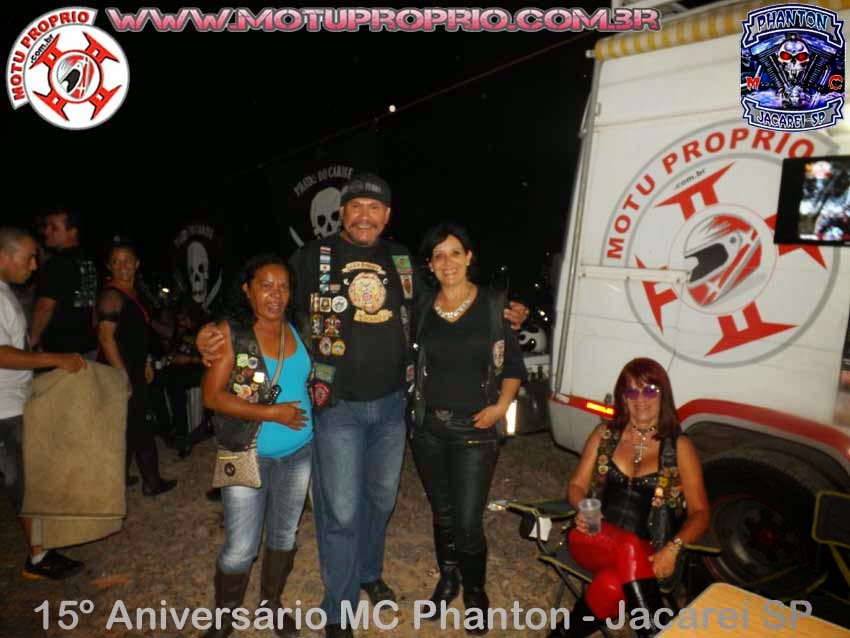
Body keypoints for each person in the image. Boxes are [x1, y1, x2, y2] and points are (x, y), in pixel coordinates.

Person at [197, 172, 529, 638]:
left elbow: (446, 302)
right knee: (341, 510)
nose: (365, 215)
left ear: (387, 215)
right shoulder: (312, 257)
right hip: (337, 407)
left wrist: (505, 311)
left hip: (392, 407)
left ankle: (369, 573)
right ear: (342, 212)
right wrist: (212, 331)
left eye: (375, 208)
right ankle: (338, 608)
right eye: (356, 206)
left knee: (380, 500)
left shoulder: (401, 259)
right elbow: (267, 296)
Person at [410, 222, 526, 634]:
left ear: (469, 257)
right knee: (442, 513)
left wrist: (500, 407)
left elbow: (513, 366)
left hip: (476, 431)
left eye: (455, 253)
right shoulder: (421, 308)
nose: (448, 262)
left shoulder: (495, 306)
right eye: (438, 255)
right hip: (427, 429)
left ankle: (475, 591)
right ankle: (449, 579)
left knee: (468, 520)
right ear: (429, 264)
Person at [549, 357, 710, 638]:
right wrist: (584, 508)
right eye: (632, 391)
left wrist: (673, 548)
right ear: (623, 398)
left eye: (649, 390)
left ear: (663, 395)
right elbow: (576, 485)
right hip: (592, 536)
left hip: (647, 552)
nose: (640, 399)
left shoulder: (680, 448)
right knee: (628, 545)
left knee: (612, 584)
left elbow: (701, 513)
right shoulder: (605, 434)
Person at [201, 254, 313, 638]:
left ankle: (271, 604)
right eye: (266, 286)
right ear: (247, 290)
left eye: (283, 287)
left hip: (299, 453)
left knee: (284, 536)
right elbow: (212, 396)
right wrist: (271, 413)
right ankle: (224, 616)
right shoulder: (231, 333)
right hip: (246, 452)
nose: (275, 295)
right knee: (241, 547)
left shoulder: (300, 328)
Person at [0, 226, 87, 579]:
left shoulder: (4, 292)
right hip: (3, 410)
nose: (34, 265)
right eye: (28, 258)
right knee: (23, 483)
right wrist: (55, 359)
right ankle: (39, 558)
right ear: (3, 256)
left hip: (16, 401)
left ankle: (46, 543)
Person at [96, 240, 177, 497]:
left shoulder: (131, 294)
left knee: (129, 423)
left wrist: (146, 362)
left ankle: (119, 477)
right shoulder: (111, 295)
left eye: (127, 260)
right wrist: (122, 376)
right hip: (118, 369)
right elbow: (106, 339)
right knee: (140, 424)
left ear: (137, 263)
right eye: (116, 261)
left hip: (132, 366)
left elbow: (136, 335)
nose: (123, 266)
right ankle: (152, 482)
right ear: (109, 266)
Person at [29, 209, 98, 357]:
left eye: (54, 228)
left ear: (72, 232)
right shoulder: (88, 260)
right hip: (87, 346)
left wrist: (32, 341)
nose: (46, 231)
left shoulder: (57, 263)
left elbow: (45, 306)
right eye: (46, 226)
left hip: (59, 351)